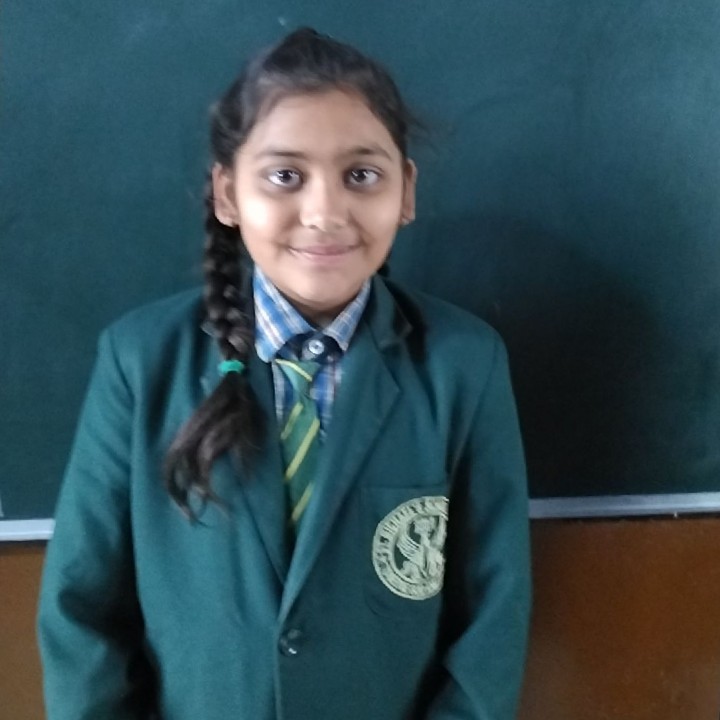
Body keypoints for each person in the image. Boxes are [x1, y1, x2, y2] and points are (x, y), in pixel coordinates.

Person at [38, 27, 531, 720]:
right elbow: (81, 611)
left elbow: (492, 615)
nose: (325, 213)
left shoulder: (462, 365)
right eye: (284, 176)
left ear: (407, 191)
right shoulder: (140, 362)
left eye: (361, 175)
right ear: (227, 193)